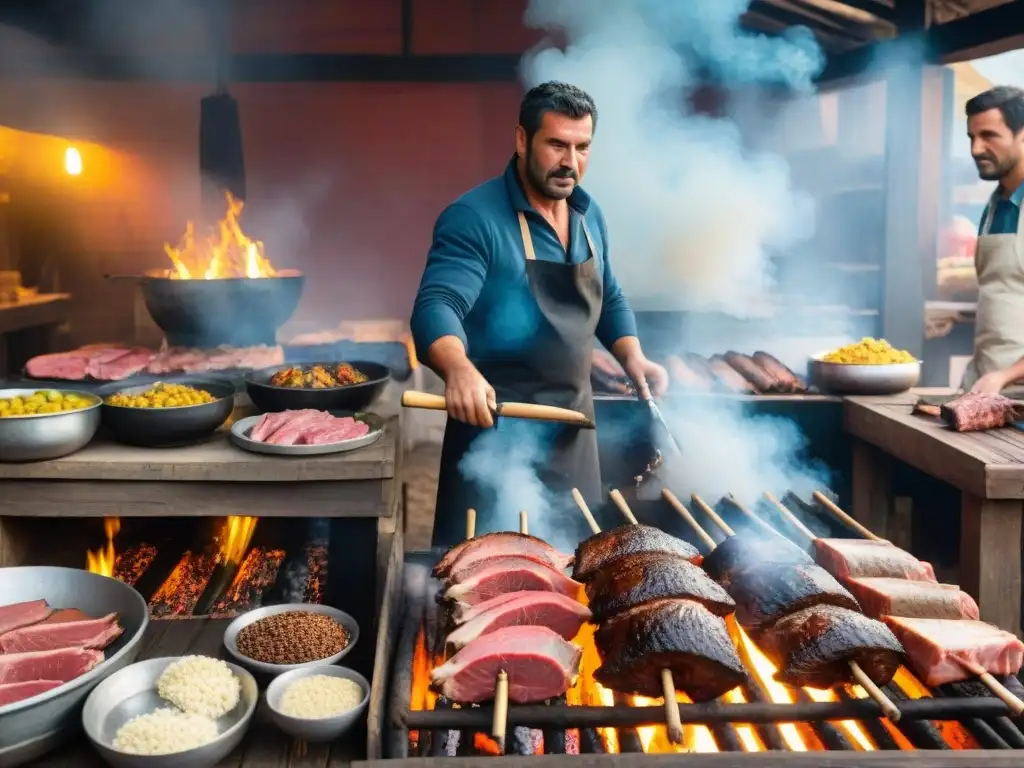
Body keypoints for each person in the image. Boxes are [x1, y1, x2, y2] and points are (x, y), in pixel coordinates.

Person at [410, 81, 668, 547]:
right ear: (522, 140)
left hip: (575, 442)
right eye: (557, 144)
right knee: (486, 595)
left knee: (575, 587)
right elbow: (436, 305)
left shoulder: (590, 216)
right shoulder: (475, 218)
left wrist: (634, 356)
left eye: (582, 146)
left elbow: (608, 295)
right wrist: (458, 370)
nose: (571, 161)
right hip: (497, 449)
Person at [959, 86, 1024, 393]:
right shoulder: (994, 204)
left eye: (989, 136)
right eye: (972, 137)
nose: (976, 148)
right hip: (983, 386)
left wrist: (1004, 376)